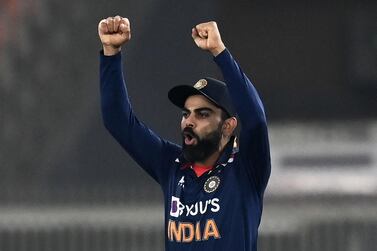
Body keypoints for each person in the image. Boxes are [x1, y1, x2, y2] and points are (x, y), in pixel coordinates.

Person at [98, 15, 271, 251]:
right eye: (185, 114)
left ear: (228, 126)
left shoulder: (246, 169)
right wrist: (111, 52)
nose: (189, 121)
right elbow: (117, 121)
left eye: (202, 114)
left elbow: (256, 121)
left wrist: (219, 52)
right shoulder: (171, 165)